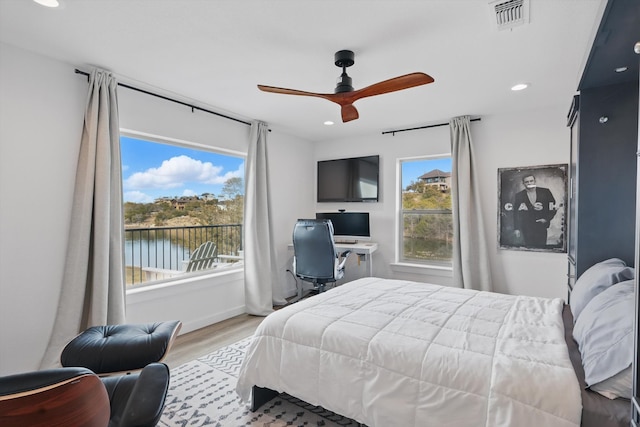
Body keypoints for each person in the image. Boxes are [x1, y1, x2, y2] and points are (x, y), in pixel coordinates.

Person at [513, 174, 557, 248]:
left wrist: (546, 219)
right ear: (523, 184)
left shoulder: (545, 192)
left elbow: (552, 208)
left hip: (541, 227)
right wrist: (516, 228)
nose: (529, 183)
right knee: (529, 249)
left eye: (531, 181)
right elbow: (516, 213)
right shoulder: (519, 195)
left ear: (535, 181)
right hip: (526, 228)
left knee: (542, 249)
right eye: (527, 182)